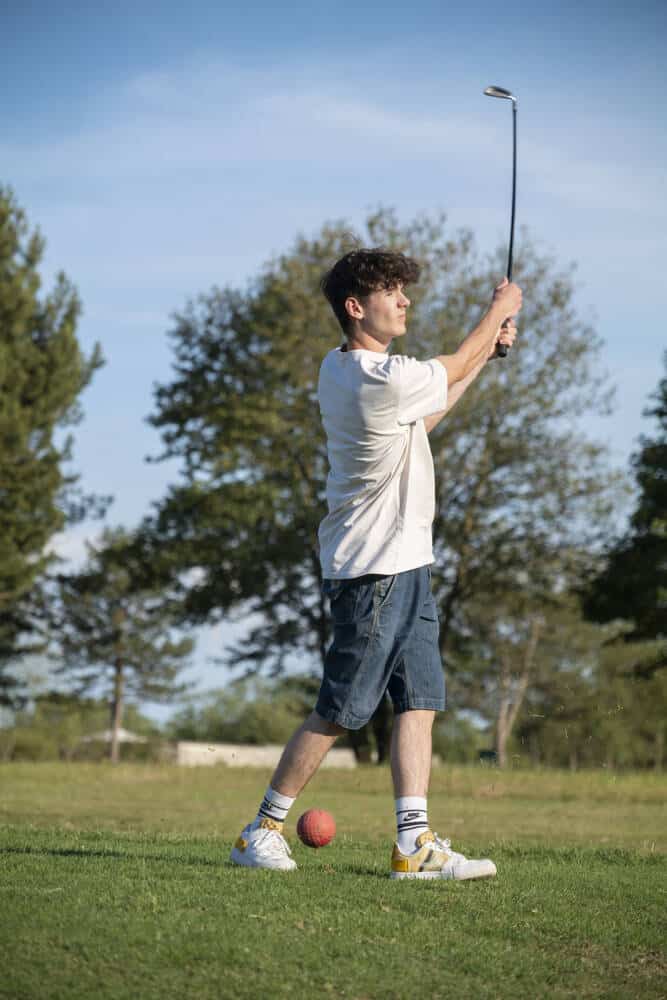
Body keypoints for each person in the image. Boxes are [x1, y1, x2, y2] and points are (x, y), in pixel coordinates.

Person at [231, 248, 522, 878]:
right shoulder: (375, 379)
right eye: (393, 291)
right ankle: (262, 829)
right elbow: (442, 373)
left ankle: (413, 846)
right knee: (343, 706)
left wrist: (486, 357)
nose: (406, 300)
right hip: (373, 571)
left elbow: (432, 407)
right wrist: (495, 311)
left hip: (407, 562)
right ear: (356, 308)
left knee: (420, 700)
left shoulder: (350, 371)